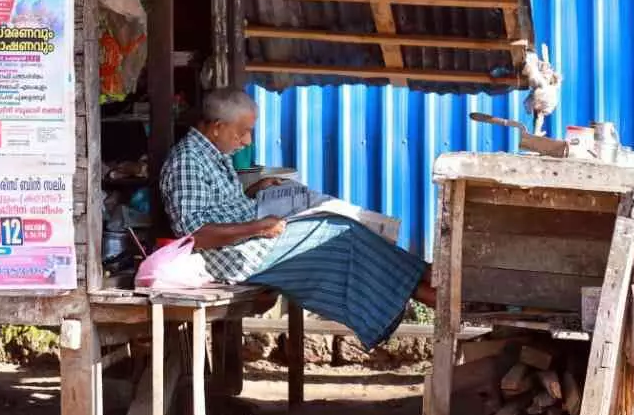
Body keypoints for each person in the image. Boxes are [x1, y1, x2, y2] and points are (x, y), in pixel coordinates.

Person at [159, 88, 433, 349]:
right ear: (217, 126)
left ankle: (427, 280)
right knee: (340, 234)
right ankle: (431, 289)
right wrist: (257, 227)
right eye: (243, 132)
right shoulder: (187, 161)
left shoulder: (212, 154)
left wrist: (253, 192)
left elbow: (217, 207)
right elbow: (195, 234)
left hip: (251, 240)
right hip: (235, 257)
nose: (247, 141)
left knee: (348, 231)